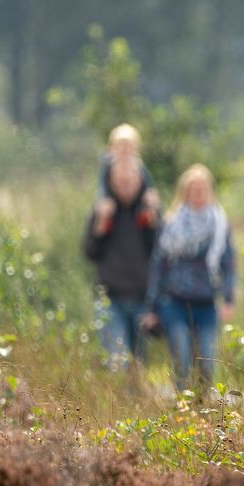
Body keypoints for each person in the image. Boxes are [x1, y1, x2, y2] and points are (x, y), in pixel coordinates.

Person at [143, 164, 236, 393]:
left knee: (208, 362)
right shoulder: (171, 224)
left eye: (203, 189)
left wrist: (228, 298)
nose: (199, 194)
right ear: (185, 192)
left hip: (207, 304)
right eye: (194, 189)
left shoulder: (219, 225)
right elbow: (159, 267)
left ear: (210, 191)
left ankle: (203, 406)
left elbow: (228, 264)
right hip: (175, 303)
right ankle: (183, 406)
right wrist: (151, 308)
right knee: (182, 361)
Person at [83, 157, 159, 373]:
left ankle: (134, 396)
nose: (126, 186)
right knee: (117, 363)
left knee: (139, 365)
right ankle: (115, 395)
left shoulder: (148, 211)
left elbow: (161, 253)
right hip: (111, 299)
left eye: (130, 181)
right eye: (120, 181)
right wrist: (100, 225)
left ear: (140, 180)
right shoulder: (103, 211)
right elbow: (90, 253)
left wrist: (154, 222)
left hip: (143, 299)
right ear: (111, 182)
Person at [99, 123, 159, 213]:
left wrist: (149, 195)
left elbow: (147, 183)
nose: (125, 149)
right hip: (114, 204)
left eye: (128, 145)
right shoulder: (109, 166)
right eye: (121, 145)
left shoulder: (138, 165)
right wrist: (105, 198)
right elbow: (103, 185)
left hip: (137, 205)